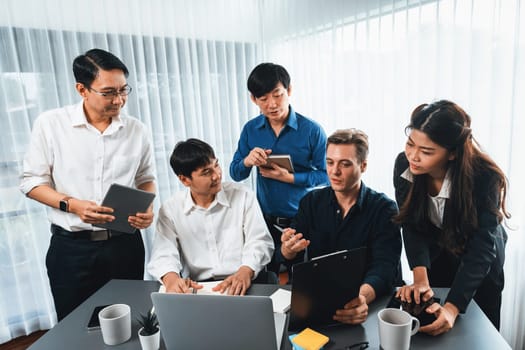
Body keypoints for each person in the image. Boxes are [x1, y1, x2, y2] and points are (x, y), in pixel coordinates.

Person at [20, 48, 156, 320]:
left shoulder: (136, 130)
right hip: (72, 249)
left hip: (124, 246)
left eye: (123, 90)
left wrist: (148, 209)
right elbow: (31, 182)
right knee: (76, 324)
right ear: (82, 89)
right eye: (108, 92)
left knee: (130, 321)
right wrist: (73, 206)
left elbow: (146, 178)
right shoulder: (51, 124)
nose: (119, 100)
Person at [393, 100, 510, 335]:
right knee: (435, 328)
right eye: (410, 144)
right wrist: (420, 278)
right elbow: (411, 224)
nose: (413, 156)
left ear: (453, 154)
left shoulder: (485, 177)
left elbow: (481, 249)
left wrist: (452, 308)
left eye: (426, 152)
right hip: (439, 255)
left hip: (480, 264)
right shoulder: (404, 166)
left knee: (477, 335)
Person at [279, 129, 402, 325]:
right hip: (318, 298)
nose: (334, 171)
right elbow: (290, 255)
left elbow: (385, 268)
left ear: (363, 166)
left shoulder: (384, 208)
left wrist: (361, 298)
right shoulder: (311, 202)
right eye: (330, 162)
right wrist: (287, 250)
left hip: (366, 300)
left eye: (345, 164)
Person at [230, 62, 329, 274]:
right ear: (253, 99)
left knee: (303, 278)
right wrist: (247, 161)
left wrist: (290, 178)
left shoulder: (312, 130)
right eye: (263, 99)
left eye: (277, 95)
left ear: (289, 90)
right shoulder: (250, 130)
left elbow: (327, 176)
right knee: (267, 276)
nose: (271, 104)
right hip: (263, 219)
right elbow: (235, 173)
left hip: (302, 218)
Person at [147, 138, 275, 295]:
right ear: (184, 179)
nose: (217, 175)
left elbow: (260, 241)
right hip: (200, 288)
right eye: (206, 172)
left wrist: (246, 270)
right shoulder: (171, 209)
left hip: (245, 280)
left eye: (216, 165)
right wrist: (171, 279)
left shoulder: (243, 196)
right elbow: (163, 253)